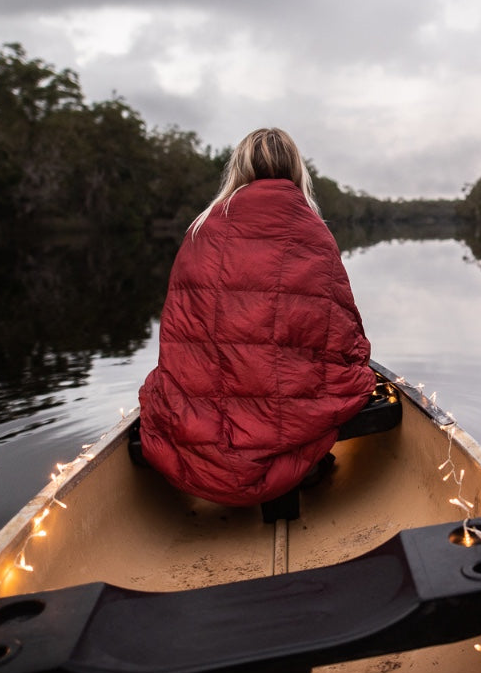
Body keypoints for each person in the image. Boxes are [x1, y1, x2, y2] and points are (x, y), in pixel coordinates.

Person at [137, 128, 376, 507]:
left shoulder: (203, 228)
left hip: (201, 417)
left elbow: (179, 336)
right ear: (297, 170)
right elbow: (343, 333)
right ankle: (304, 466)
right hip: (285, 407)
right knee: (354, 372)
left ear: (240, 168)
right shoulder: (314, 233)